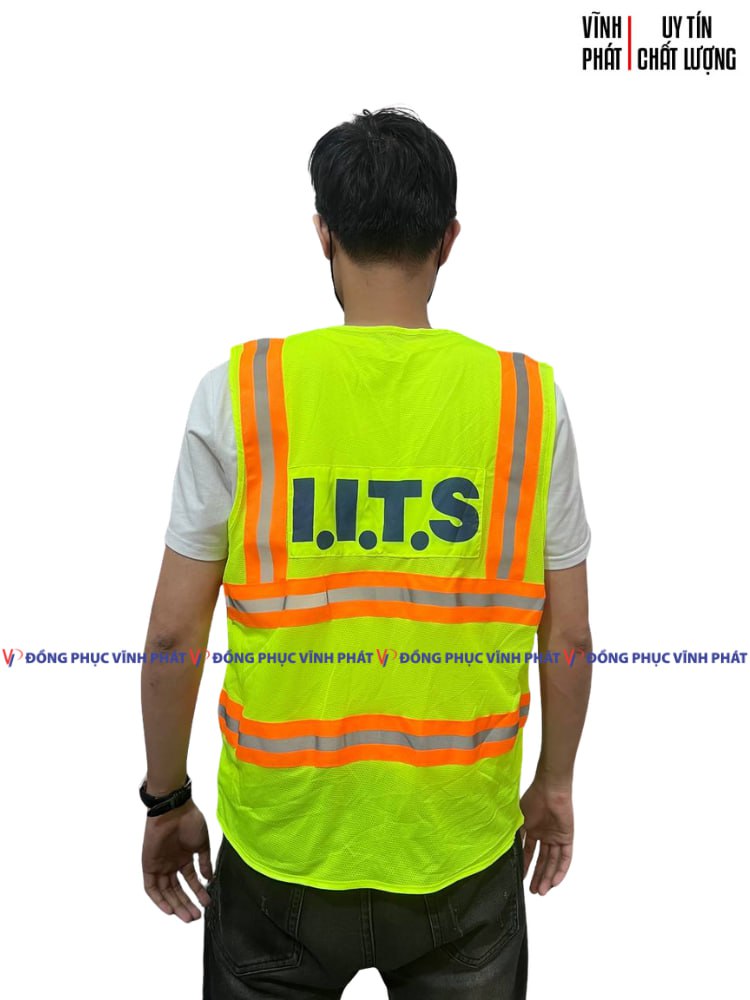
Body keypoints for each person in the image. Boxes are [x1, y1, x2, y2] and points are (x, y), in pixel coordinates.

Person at [140, 107, 593, 1000]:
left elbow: (170, 636)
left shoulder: (242, 392)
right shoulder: (528, 403)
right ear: (448, 239)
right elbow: (569, 637)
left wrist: (166, 799)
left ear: (325, 234)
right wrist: (555, 785)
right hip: (461, 852)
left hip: (280, 851)